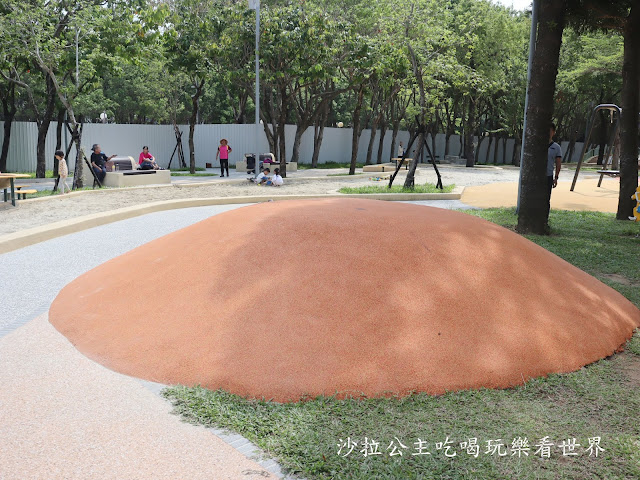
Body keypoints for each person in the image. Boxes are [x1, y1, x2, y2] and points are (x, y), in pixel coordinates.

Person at [546, 123, 563, 229]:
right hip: (537, 178)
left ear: (554, 132)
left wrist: (556, 177)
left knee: (546, 199)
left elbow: (558, 163)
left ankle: (545, 220)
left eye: (551, 130)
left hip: (548, 176)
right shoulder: (537, 145)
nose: (549, 132)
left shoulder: (556, 147)